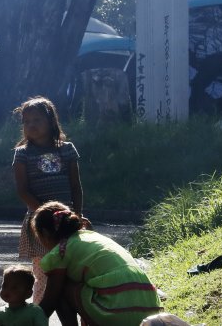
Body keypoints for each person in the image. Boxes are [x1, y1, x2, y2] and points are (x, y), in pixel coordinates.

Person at [31, 201, 162, 326]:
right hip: (150, 310)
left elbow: (49, 303)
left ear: (45, 233)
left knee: (60, 288)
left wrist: (24, 318)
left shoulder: (60, 253)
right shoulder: (93, 237)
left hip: (117, 312)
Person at [11, 96, 82, 303]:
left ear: (51, 122)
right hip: (40, 226)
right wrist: (45, 215)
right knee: (44, 273)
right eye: (26, 121)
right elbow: (22, 190)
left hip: (67, 222)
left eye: (37, 120)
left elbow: (76, 186)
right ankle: (39, 314)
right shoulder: (22, 154)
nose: (31, 125)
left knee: (72, 272)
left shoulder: (67, 149)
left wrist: (77, 214)